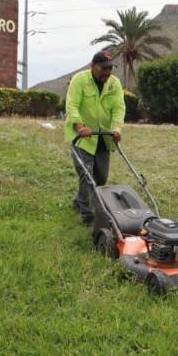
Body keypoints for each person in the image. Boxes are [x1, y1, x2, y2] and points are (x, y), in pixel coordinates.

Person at [65, 50, 126, 225]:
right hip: (82, 137)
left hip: (103, 137)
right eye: (103, 68)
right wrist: (79, 126)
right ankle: (88, 217)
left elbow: (119, 108)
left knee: (101, 178)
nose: (107, 72)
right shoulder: (80, 80)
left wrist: (117, 129)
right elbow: (72, 105)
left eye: (110, 68)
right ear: (93, 66)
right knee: (87, 176)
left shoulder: (114, 83)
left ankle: (79, 201)